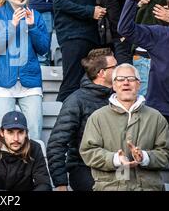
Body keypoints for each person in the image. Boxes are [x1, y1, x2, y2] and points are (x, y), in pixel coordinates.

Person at [118, 0, 169, 185]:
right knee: (140, 164)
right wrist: (132, 1)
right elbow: (125, 29)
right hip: (158, 112)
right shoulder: (158, 33)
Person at [79, 63, 169, 191]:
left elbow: (167, 153)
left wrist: (145, 157)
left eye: (130, 79)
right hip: (110, 187)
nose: (126, 83)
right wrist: (115, 159)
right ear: (113, 85)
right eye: (120, 79)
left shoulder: (156, 117)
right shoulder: (98, 117)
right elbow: (88, 151)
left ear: (139, 84)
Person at [0, 0, 50, 140]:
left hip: (31, 81)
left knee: (34, 134)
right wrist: (12, 25)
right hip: (3, 81)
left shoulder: (35, 15)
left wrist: (32, 26)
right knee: (3, 135)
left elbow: (44, 49)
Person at [47, 48, 117, 191]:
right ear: (101, 73)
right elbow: (57, 143)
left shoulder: (119, 98)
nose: (119, 70)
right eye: (115, 67)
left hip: (117, 165)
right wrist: (61, 183)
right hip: (84, 167)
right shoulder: (76, 100)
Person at [0, 110, 52, 191]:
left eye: (20, 132)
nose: (16, 138)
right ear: (2, 132)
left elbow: (44, 184)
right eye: (10, 132)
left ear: (26, 133)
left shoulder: (35, 148)